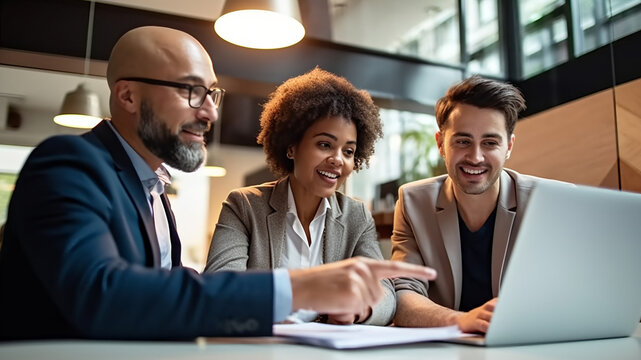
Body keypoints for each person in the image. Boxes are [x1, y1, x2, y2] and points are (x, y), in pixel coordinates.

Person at [0, 26, 436, 341]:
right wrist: (300, 287)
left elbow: (168, 288)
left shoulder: (150, 186)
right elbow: (101, 294)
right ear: (128, 96)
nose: (209, 112)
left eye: (212, 94)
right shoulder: (69, 163)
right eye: (192, 91)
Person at [204, 68, 394, 325]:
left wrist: (360, 310)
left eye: (348, 151)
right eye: (324, 144)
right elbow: (219, 288)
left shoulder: (356, 217)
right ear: (291, 147)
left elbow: (386, 295)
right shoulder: (244, 206)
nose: (338, 160)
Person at [392, 75, 560, 333]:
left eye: (490, 143)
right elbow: (403, 299)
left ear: (509, 147)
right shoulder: (413, 203)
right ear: (440, 144)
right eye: (463, 141)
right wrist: (461, 320)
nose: (476, 157)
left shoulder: (548, 202)